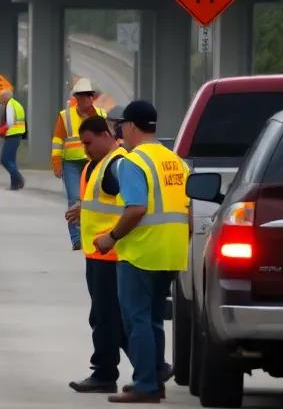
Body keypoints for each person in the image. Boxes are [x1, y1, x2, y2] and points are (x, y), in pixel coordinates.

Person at [92, 101, 189, 404]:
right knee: (154, 319)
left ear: (131, 126)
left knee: (136, 320)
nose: (120, 129)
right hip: (172, 251)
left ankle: (145, 385)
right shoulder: (176, 161)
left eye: (122, 125)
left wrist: (111, 237)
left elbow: (136, 209)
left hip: (141, 251)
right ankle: (155, 380)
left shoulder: (134, 162)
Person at [66, 114, 128, 394]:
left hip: (112, 253)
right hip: (97, 253)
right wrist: (83, 210)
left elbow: (133, 206)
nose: (85, 149)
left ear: (106, 135)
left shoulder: (117, 165)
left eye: (88, 143)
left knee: (105, 317)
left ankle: (104, 373)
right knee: (111, 317)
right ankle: (152, 365)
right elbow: (103, 202)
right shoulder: (98, 164)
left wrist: (112, 236)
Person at [52, 79, 108, 250]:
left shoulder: (100, 114)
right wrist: (56, 161)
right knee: (74, 199)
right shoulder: (65, 116)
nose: (87, 99)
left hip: (94, 162)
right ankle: (76, 238)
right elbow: (58, 140)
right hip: (71, 164)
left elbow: (108, 137)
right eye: (83, 96)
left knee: (94, 198)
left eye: (90, 96)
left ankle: (91, 234)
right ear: (76, 98)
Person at [0, 89, 26, 190]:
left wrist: (1, 130)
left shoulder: (10, 105)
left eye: (1, 96)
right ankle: (14, 185)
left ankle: (19, 178)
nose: (0, 99)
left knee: (4, 159)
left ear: (6, 97)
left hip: (12, 134)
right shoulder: (17, 104)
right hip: (18, 134)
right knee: (12, 161)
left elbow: (10, 122)